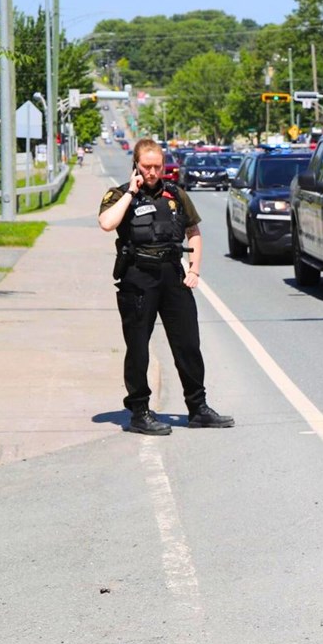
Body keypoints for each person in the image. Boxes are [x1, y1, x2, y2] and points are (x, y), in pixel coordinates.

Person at [97, 138, 233, 435]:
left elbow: (193, 232)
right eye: (147, 166)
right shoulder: (119, 194)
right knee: (138, 348)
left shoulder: (175, 194)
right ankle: (139, 412)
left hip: (173, 276)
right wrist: (131, 193)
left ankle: (198, 408)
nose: (153, 172)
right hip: (138, 278)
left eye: (158, 166)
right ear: (136, 165)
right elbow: (107, 223)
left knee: (188, 344)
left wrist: (195, 269)